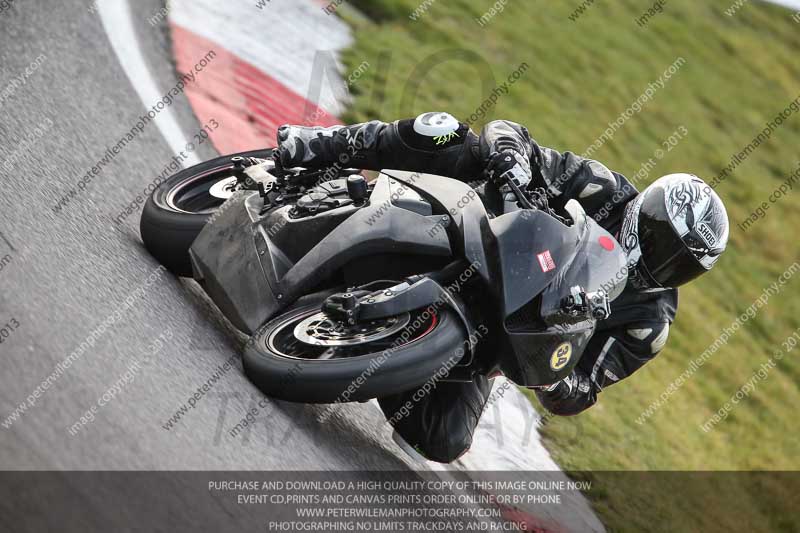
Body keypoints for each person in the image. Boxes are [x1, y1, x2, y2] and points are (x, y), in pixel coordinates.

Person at [275, 112, 730, 463]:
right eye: (660, 243)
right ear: (644, 215)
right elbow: (509, 132)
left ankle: (384, 352)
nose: (662, 265)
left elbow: (583, 388)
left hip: (493, 336)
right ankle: (319, 145)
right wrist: (514, 167)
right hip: (473, 232)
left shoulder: (647, 324)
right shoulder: (602, 189)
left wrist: (555, 376)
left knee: (443, 439)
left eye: (680, 265)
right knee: (448, 132)